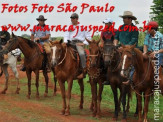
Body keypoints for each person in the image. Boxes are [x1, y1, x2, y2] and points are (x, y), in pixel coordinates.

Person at [105, 11, 139, 85]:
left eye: (124, 18)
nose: (123, 19)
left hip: (130, 49)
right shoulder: (120, 28)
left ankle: (131, 79)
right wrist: (115, 44)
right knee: (108, 57)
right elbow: (116, 38)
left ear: (130, 19)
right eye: (123, 18)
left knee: (134, 62)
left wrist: (124, 48)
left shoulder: (135, 29)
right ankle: (108, 77)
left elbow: (134, 40)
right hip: (120, 47)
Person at [64, 13, 92, 79]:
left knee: (82, 54)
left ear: (77, 19)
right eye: (71, 18)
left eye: (73, 18)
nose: (72, 20)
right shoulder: (68, 26)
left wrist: (84, 43)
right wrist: (65, 42)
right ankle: (59, 70)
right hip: (70, 43)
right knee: (60, 51)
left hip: (78, 43)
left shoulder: (83, 27)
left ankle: (83, 71)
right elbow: (66, 35)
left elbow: (89, 37)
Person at [100, 18, 117, 85]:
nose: (105, 24)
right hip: (105, 47)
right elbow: (102, 40)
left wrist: (114, 46)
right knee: (98, 57)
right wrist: (102, 45)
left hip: (112, 47)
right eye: (105, 23)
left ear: (110, 24)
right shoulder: (103, 31)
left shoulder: (115, 31)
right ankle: (100, 75)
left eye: (107, 23)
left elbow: (116, 39)